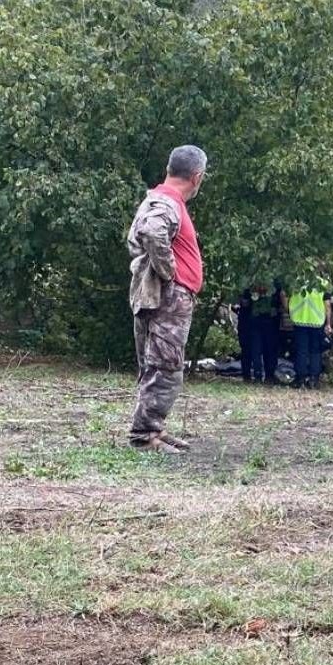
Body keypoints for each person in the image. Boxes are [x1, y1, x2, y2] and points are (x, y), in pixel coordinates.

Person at [126, 145, 207, 453]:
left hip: (162, 296)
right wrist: (170, 270)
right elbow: (151, 231)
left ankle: (153, 428)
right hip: (169, 298)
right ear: (197, 177)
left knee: (158, 365)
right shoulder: (167, 201)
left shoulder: (160, 198)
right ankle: (144, 436)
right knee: (165, 367)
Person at [289, 276, 333, 389]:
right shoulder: (323, 283)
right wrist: (328, 324)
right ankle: (314, 379)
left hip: (299, 321)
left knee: (301, 351)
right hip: (317, 322)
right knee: (315, 352)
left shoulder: (296, 281)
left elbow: (285, 296)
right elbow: (327, 305)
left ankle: (300, 379)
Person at [248, 282, 281, 385]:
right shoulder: (275, 281)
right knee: (269, 349)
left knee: (257, 349)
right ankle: (269, 376)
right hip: (269, 319)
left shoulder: (253, 279)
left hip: (257, 319)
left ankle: (258, 376)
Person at [235, 287, 257, 382]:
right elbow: (244, 302)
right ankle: (247, 375)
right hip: (246, 322)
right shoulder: (245, 286)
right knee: (246, 350)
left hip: (253, 321)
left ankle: (254, 374)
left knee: (252, 350)